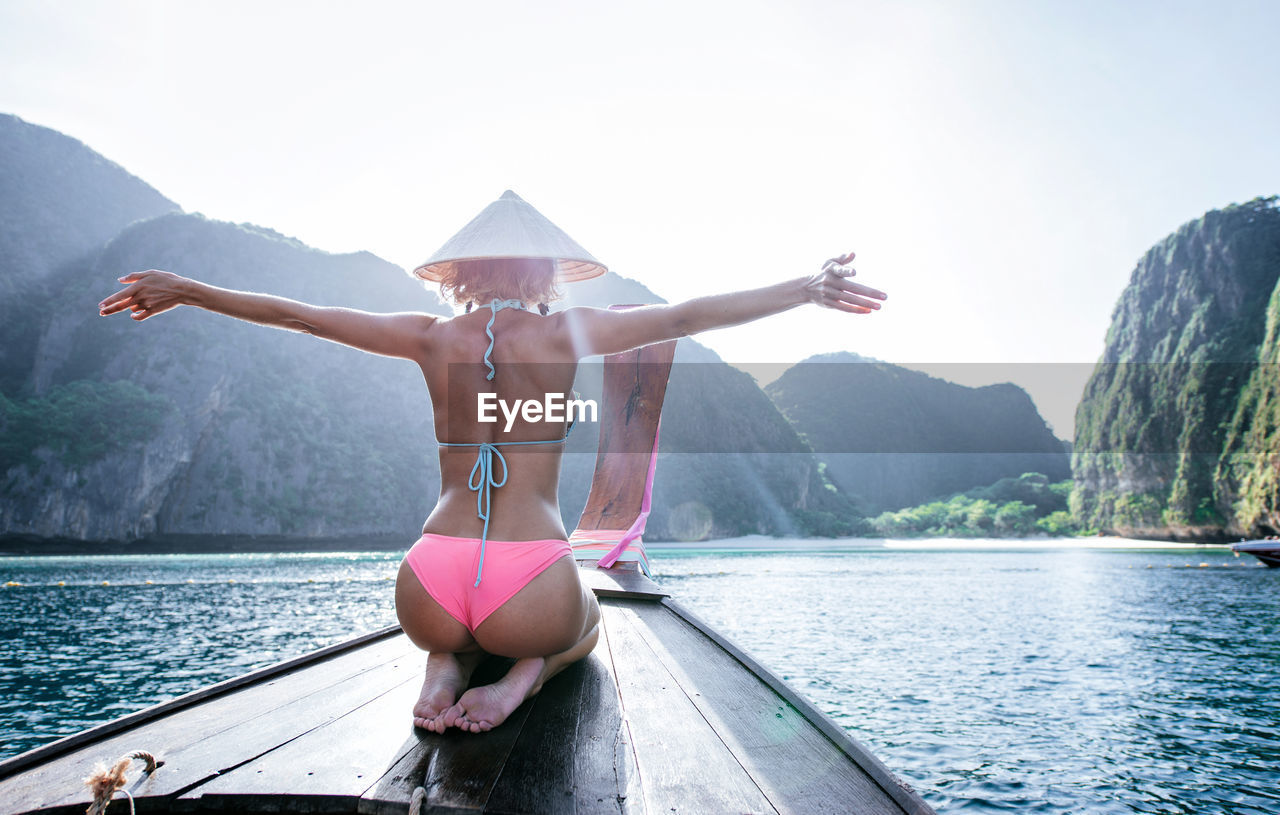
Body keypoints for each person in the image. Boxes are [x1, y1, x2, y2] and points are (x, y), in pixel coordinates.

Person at [97, 190, 887, 734]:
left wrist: (189, 288)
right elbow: (683, 313)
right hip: (532, 582)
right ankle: (521, 679)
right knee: (587, 628)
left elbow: (300, 316)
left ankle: (444, 665)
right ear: (546, 276)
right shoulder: (562, 334)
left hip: (428, 580)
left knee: (461, 627)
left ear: (459, 276)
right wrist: (806, 287)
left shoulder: (425, 334)